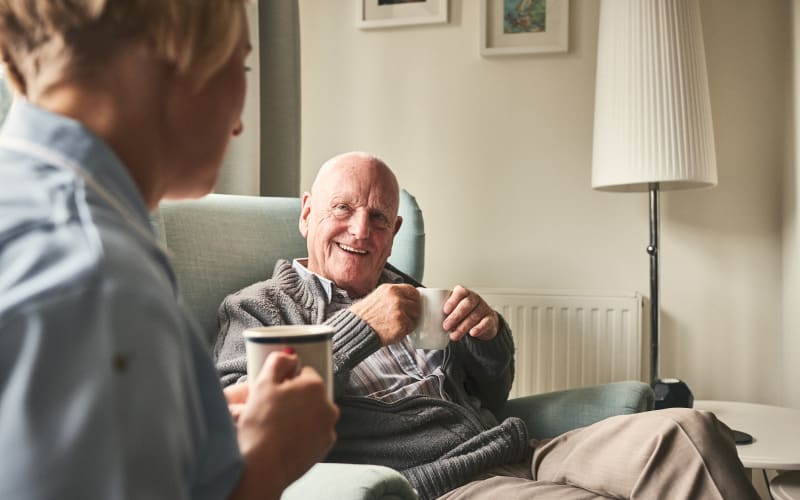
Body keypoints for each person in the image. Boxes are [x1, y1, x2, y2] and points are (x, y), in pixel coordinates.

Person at [213, 157, 758, 498]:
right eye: (343, 208)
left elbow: (493, 395)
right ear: (307, 213)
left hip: (523, 449)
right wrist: (360, 326)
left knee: (690, 431)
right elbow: (235, 416)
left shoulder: (414, 295)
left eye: (379, 217)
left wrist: (488, 336)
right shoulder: (260, 306)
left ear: (394, 231)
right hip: (441, 483)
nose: (361, 229)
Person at [0, 2, 339, 499]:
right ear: (166, 56)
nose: (241, 122)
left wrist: (174, 422)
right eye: (239, 65)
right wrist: (271, 457)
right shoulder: (101, 287)